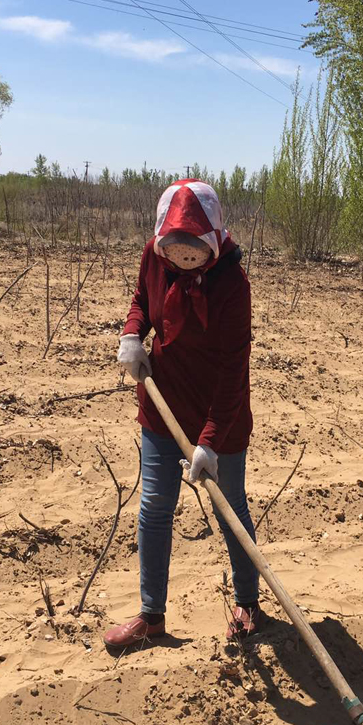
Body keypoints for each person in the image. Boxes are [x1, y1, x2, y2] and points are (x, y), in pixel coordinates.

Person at [103, 179, 261, 650]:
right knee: (154, 508)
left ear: (212, 242)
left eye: (193, 253)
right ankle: (151, 617)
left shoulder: (233, 284)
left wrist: (210, 441)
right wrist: (133, 335)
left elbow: (234, 371)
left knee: (229, 505)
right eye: (175, 252)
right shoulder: (154, 255)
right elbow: (142, 302)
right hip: (163, 403)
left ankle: (248, 604)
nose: (182, 259)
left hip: (221, 412)